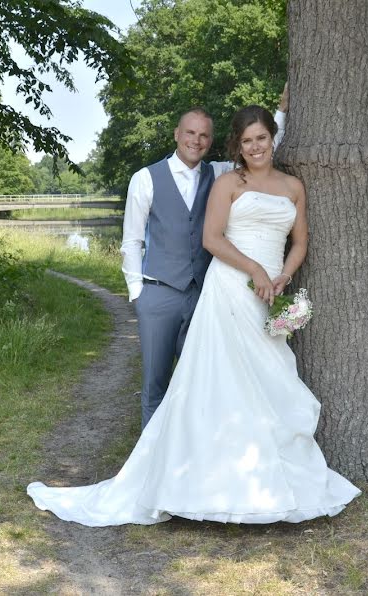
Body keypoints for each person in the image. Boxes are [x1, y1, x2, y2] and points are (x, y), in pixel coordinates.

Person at [27, 106, 360, 526]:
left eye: (262, 138)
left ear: (272, 138)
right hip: (216, 289)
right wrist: (140, 291)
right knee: (188, 382)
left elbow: (299, 240)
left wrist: (283, 277)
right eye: (247, 141)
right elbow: (197, 237)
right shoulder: (214, 180)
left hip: (264, 293)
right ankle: (172, 475)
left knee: (261, 382)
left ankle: (257, 475)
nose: (255, 146)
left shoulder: (287, 185)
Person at [122, 89, 288, 429]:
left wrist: (280, 112)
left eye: (203, 135)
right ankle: (152, 464)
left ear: (211, 141)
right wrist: (138, 293)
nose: (196, 141)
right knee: (155, 383)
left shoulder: (220, 173)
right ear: (177, 135)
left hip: (204, 296)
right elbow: (132, 240)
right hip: (159, 294)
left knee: (202, 381)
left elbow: (261, 148)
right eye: (190, 133)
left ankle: (191, 452)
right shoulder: (146, 178)